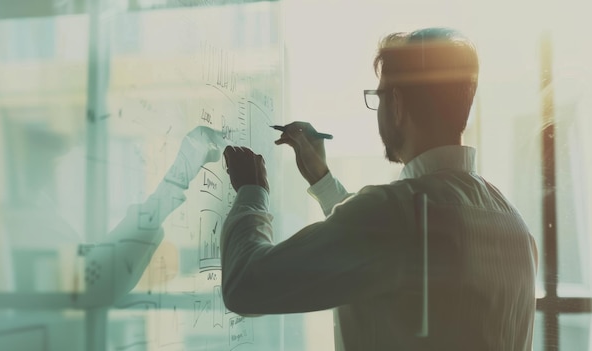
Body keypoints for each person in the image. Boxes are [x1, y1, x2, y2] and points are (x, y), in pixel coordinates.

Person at [220, 28, 538, 351]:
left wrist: (251, 190)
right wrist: (323, 181)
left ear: (397, 104)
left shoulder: (395, 216)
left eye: (379, 96)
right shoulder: (515, 228)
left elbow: (245, 285)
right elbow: (388, 258)